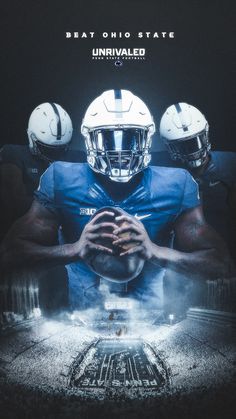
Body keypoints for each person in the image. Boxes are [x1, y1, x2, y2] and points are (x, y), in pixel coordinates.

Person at [0, 91, 232, 311]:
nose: (120, 154)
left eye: (130, 139)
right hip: (79, 317)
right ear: (89, 139)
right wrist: (74, 250)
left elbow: (220, 264)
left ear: (147, 139)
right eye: (108, 140)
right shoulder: (60, 178)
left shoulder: (177, 183)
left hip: (152, 320)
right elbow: (10, 255)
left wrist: (154, 251)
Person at [0, 102, 85, 314]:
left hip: (62, 238)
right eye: (48, 149)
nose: (55, 156)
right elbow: (12, 200)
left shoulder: (74, 157)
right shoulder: (14, 155)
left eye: (60, 150)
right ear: (32, 138)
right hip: (30, 235)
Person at [157, 102, 236, 314]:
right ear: (169, 147)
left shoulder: (230, 165)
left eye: (196, 141)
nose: (192, 150)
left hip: (223, 252)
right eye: (183, 146)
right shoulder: (163, 170)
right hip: (183, 260)